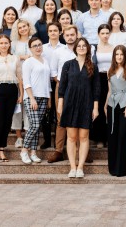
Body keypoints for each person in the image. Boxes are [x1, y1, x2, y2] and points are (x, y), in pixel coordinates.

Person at [58, 37, 100, 178]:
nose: (81, 48)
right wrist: (60, 104)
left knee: (83, 136)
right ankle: (72, 167)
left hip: (86, 104)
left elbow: (96, 89)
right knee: (71, 137)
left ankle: (80, 167)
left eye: (84, 46)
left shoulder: (93, 66)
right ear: (75, 48)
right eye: (79, 46)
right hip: (70, 103)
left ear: (88, 48)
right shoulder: (68, 65)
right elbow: (62, 86)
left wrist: (95, 108)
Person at [0, 35, 22, 162]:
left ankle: (1, 148)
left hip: (12, 90)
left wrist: (21, 94)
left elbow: (19, 77)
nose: (4, 45)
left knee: (7, 122)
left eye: (6, 43)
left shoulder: (15, 58)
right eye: (1, 43)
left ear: (9, 44)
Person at [47, 24, 78, 163]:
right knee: (61, 119)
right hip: (62, 88)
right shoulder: (58, 52)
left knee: (78, 118)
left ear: (76, 35)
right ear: (63, 36)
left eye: (72, 34)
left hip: (79, 89)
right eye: (67, 35)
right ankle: (58, 151)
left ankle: (80, 150)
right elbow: (53, 71)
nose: (70, 37)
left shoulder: (82, 49)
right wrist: (61, 83)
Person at [106, 45, 126, 177]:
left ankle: (121, 169)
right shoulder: (110, 70)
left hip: (125, 104)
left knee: (123, 135)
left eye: (121, 54)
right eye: (117, 54)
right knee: (112, 136)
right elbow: (110, 90)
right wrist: (105, 106)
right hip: (112, 105)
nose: (119, 57)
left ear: (125, 56)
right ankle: (112, 168)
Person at [20, 36, 52, 164]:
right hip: (31, 97)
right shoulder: (28, 62)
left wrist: (49, 98)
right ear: (30, 48)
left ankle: (33, 153)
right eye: (35, 46)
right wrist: (32, 98)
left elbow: (47, 81)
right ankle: (24, 150)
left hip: (44, 96)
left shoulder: (45, 61)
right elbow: (26, 82)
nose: (38, 47)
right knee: (35, 125)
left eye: (39, 45)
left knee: (37, 127)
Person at [40, 22, 66, 149]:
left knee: (59, 111)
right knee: (46, 111)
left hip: (59, 82)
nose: (53, 33)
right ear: (47, 33)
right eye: (50, 31)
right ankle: (46, 140)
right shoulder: (43, 48)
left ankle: (59, 140)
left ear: (60, 32)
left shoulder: (64, 48)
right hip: (45, 82)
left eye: (55, 30)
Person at [92, 24, 114, 148]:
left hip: (111, 78)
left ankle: (109, 136)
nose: (105, 35)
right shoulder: (94, 48)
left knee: (110, 106)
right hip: (98, 78)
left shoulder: (114, 48)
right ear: (98, 35)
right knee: (99, 107)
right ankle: (99, 138)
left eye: (107, 33)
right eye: (103, 33)